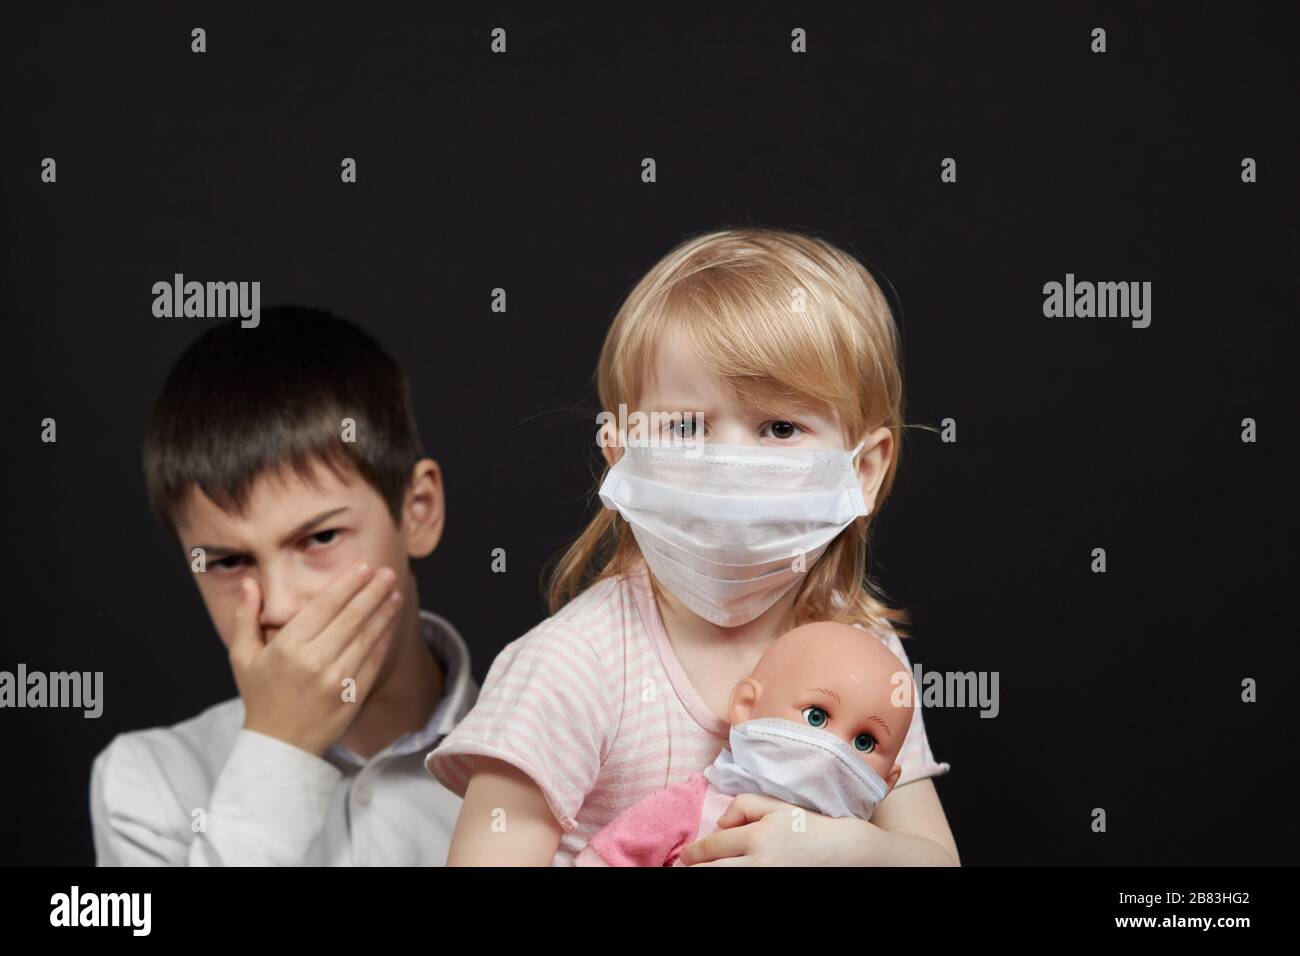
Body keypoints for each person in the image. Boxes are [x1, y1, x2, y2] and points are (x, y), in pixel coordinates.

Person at [426, 226, 958, 866]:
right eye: (685, 427)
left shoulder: (863, 654)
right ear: (624, 455)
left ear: (863, 468)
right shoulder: (572, 666)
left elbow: (934, 859)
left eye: (780, 427)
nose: (729, 463)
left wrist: (849, 851)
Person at [90, 306, 476, 865]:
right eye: (227, 562)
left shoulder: (555, 758)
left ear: (418, 511)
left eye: (319, 538)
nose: (279, 605)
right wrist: (281, 748)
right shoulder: (149, 782)